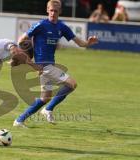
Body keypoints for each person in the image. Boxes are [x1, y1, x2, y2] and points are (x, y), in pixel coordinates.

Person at [13, 0, 98, 128]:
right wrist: (24, 52)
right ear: (47, 10)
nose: (53, 13)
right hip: (44, 66)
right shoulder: (40, 25)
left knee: (45, 98)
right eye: (51, 10)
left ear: (60, 12)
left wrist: (88, 43)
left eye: (56, 11)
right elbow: (21, 39)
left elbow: (79, 43)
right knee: (72, 84)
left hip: (48, 66)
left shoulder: (62, 27)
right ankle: (48, 109)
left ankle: (19, 120)